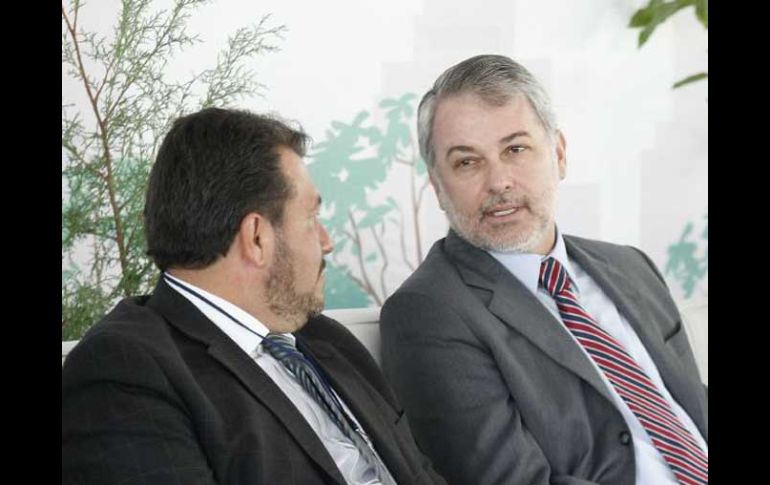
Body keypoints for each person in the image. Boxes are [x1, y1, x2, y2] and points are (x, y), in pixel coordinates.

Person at [62, 107, 446, 485]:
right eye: (311, 219)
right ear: (257, 237)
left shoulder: (328, 341)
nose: (327, 242)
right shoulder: (123, 371)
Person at [380, 54, 708, 485]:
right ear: (437, 186)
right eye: (467, 162)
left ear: (559, 154)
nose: (499, 182)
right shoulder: (428, 313)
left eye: (515, 149)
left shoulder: (632, 267)